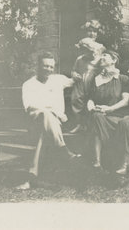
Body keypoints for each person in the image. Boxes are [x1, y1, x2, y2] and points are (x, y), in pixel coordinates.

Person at [16, 52, 80, 190]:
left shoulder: (58, 79)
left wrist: (76, 72)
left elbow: (76, 80)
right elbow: (29, 107)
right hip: (36, 122)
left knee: (43, 134)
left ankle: (31, 178)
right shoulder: (28, 84)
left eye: (51, 67)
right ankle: (64, 150)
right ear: (38, 66)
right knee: (45, 114)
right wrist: (51, 111)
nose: (48, 69)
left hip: (56, 125)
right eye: (45, 66)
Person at [85, 50, 129, 170]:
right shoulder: (96, 79)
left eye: (104, 55)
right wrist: (91, 107)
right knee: (96, 116)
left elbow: (125, 100)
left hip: (117, 117)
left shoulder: (123, 79)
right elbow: (90, 99)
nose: (101, 58)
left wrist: (110, 109)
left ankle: (112, 161)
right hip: (99, 115)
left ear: (114, 60)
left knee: (100, 119)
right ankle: (97, 163)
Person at [70, 37, 105, 133]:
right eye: (83, 51)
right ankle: (80, 124)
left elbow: (103, 71)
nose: (86, 53)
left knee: (90, 102)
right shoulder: (80, 59)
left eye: (89, 51)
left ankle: (89, 125)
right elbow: (74, 70)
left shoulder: (99, 59)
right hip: (81, 83)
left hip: (93, 84)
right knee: (76, 99)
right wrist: (74, 74)